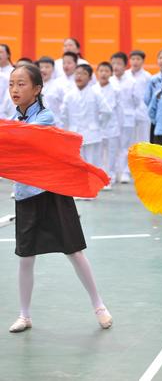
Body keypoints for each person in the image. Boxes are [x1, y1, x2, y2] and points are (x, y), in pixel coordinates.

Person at [7, 64, 112, 333]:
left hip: (52, 193)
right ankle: (24, 315)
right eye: (11, 84)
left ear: (37, 89)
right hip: (26, 195)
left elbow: (21, 138)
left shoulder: (44, 119)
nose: (15, 89)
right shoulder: (12, 119)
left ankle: (99, 305)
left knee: (74, 251)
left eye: (21, 84)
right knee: (26, 257)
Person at [60, 64, 112, 170]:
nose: (79, 76)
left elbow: (107, 111)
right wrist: (67, 130)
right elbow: (63, 115)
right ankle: (80, 185)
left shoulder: (96, 93)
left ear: (89, 78)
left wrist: (99, 124)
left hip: (93, 134)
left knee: (93, 163)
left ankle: (93, 185)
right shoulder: (69, 95)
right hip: (74, 133)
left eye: (83, 74)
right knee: (76, 163)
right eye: (77, 73)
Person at [111, 52, 138, 183]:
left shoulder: (132, 81)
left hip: (127, 118)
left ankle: (125, 172)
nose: (116, 67)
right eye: (114, 63)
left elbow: (137, 101)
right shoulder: (109, 81)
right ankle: (114, 172)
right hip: (112, 120)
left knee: (125, 146)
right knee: (112, 146)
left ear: (125, 65)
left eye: (119, 64)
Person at [94, 62, 122, 190]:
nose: (103, 74)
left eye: (106, 71)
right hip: (96, 126)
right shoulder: (93, 89)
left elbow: (115, 109)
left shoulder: (116, 90)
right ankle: (98, 178)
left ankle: (109, 177)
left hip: (111, 126)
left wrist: (119, 125)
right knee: (98, 153)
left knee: (110, 153)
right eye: (101, 71)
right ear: (97, 73)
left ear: (111, 73)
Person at [125, 50, 153, 144]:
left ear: (143, 61)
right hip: (127, 113)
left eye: (138, 59)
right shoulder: (125, 75)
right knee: (129, 140)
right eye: (133, 59)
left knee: (144, 139)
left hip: (143, 112)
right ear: (129, 61)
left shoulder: (147, 76)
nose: (135, 62)